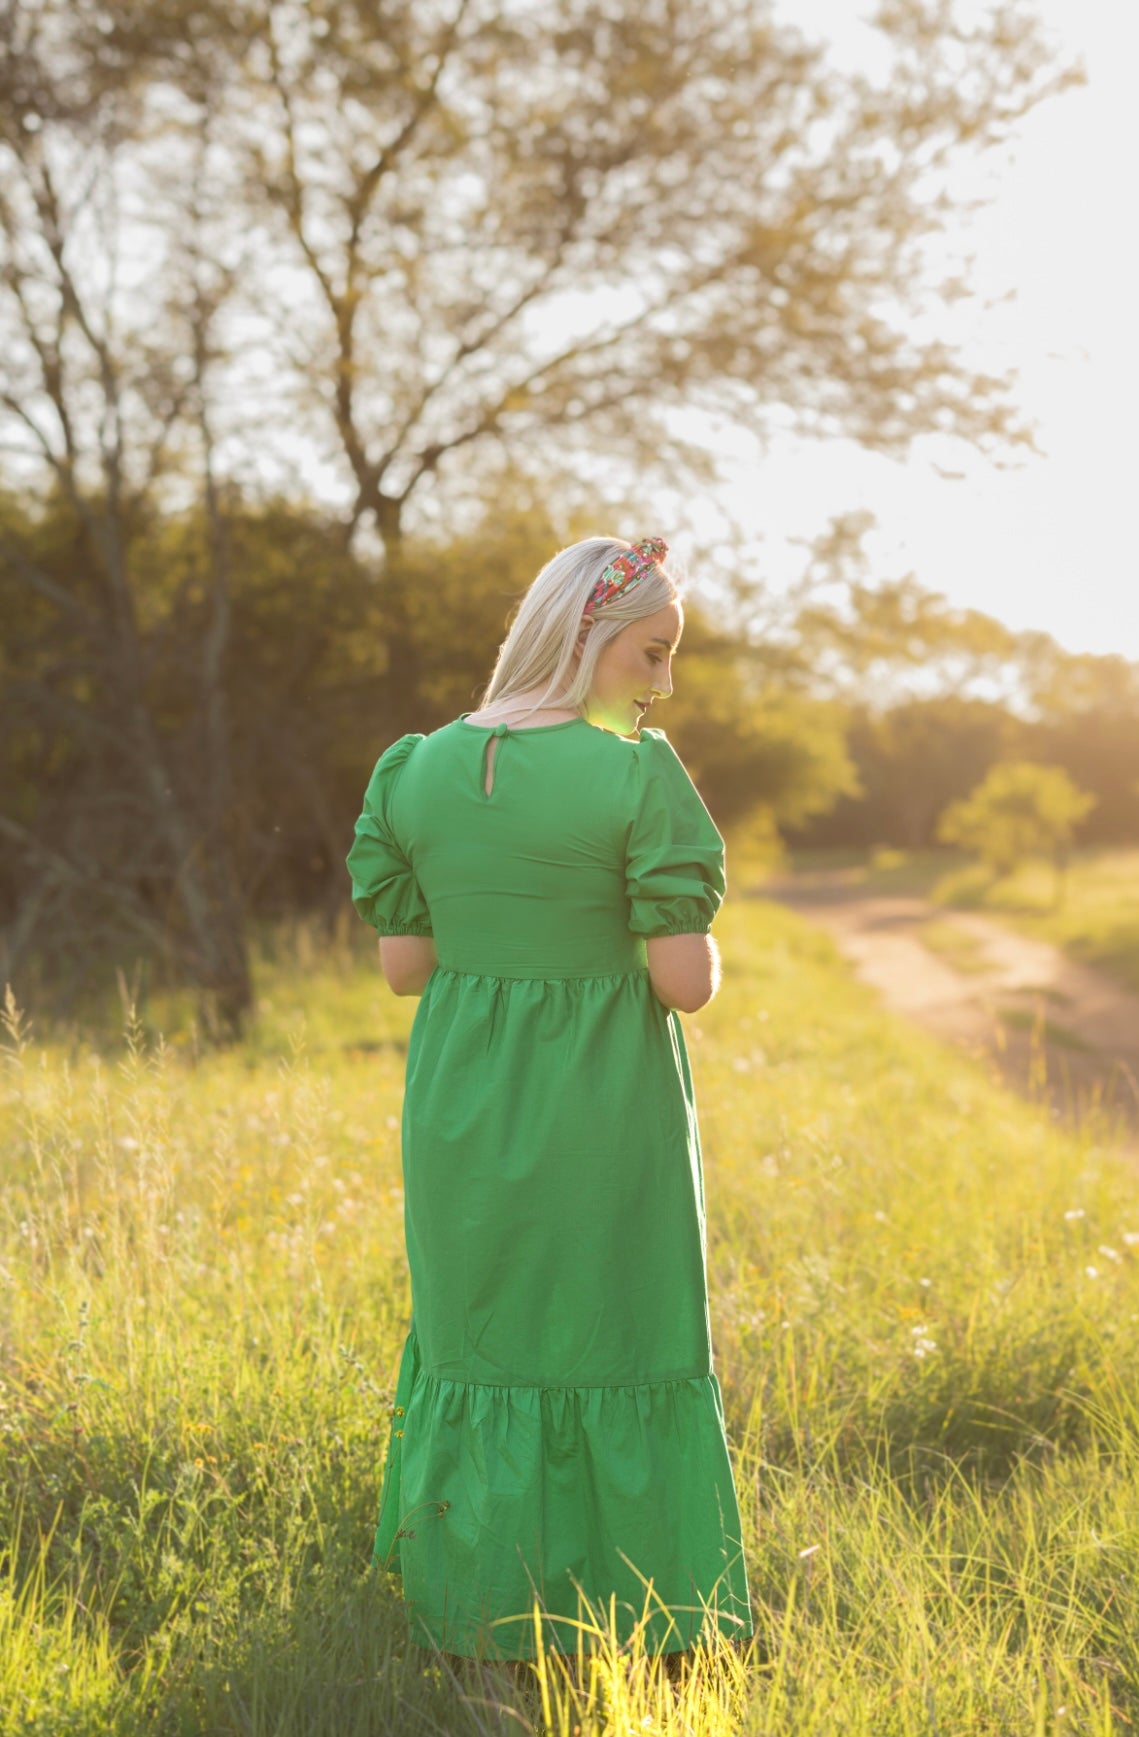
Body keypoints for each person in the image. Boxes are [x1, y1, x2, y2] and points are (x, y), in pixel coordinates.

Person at [345, 534, 754, 1671]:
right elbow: (685, 984)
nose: (662, 683)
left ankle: (476, 1611)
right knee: (621, 1335)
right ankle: (634, 1610)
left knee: (479, 1342)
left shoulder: (414, 768)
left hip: (462, 1106)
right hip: (601, 1107)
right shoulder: (636, 773)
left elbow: (404, 968)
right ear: (586, 636)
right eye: (651, 652)